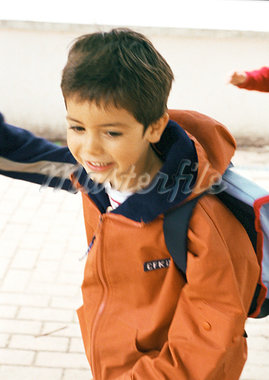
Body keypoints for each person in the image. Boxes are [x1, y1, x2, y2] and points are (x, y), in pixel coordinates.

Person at [0, 29, 260, 380]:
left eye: (112, 133)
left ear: (154, 128)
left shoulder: (202, 217)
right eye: (77, 127)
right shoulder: (99, 176)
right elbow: (26, 157)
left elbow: (211, 335)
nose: (90, 150)